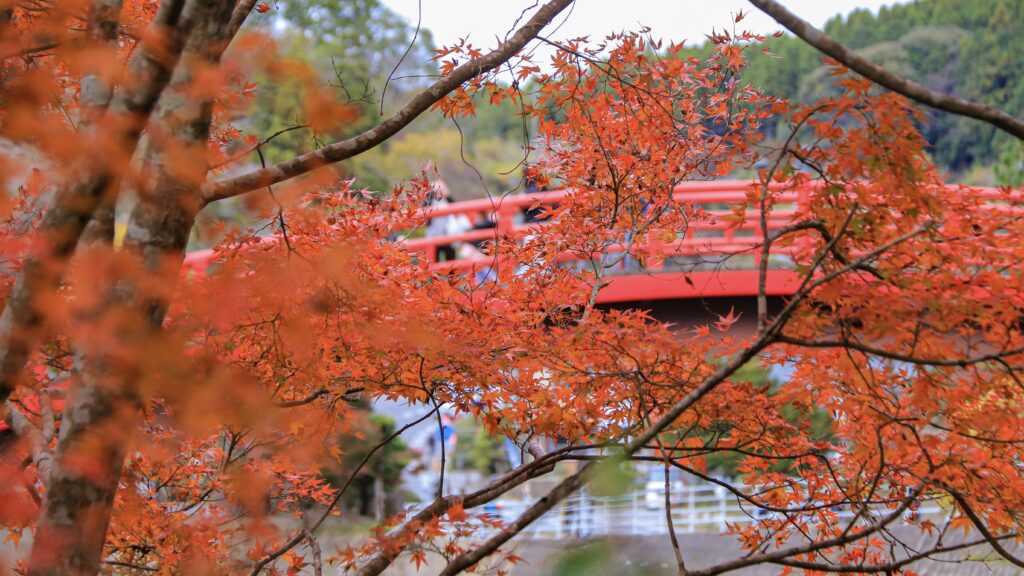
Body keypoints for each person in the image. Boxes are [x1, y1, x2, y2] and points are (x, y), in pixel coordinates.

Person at [424, 179, 471, 262]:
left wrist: (448, 195)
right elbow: (424, 207)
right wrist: (431, 191)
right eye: (438, 188)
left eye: (442, 188)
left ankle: (453, 274)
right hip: (434, 235)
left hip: (448, 233)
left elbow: (456, 206)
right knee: (434, 261)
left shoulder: (447, 200)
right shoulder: (431, 201)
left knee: (451, 261)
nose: (440, 190)